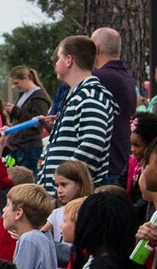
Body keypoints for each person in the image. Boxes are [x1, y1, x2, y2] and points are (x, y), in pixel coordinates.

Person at [38, 35, 120, 195]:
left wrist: (64, 181)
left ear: (68, 60)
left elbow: (92, 144)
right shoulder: (77, 96)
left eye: (58, 58)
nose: (55, 63)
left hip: (76, 200)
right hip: (65, 199)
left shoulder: (90, 96)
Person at [89, 27, 137, 187]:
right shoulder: (126, 78)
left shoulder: (99, 78)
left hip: (106, 167)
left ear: (96, 48)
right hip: (121, 161)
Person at [4, 65, 50, 168]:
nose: (16, 86)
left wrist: (16, 111)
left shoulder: (39, 97)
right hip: (17, 146)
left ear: (25, 78)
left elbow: (38, 121)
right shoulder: (23, 95)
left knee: (26, 180)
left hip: (29, 147)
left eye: (17, 83)